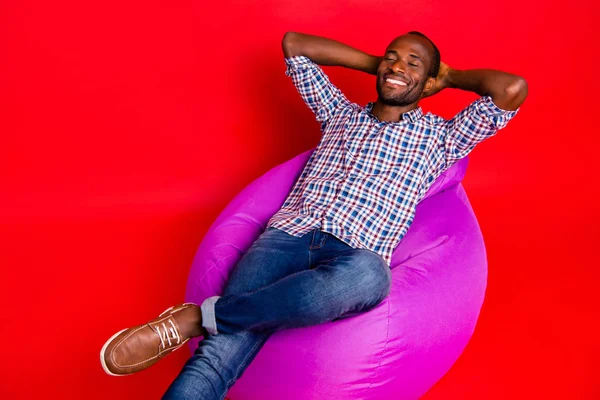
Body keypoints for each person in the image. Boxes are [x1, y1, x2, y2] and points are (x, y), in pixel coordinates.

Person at [100, 31, 528, 398]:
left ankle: (197, 318)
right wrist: (380, 65)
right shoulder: (339, 113)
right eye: (392, 56)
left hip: (353, 258)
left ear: (430, 78)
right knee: (216, 358)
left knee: (372, 276)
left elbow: (512, 89)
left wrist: (446, 77)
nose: (398, 66)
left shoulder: (440, 137)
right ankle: (210, 323)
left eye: (413, 62)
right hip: (285, 236)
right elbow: (295, 45)